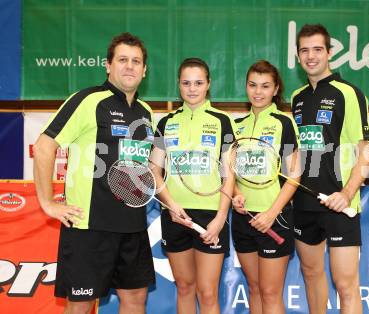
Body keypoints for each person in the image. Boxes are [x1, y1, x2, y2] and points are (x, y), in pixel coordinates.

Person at [33, 32, 155, 314]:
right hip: (90, 226)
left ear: (145, 70)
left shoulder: (146, 112)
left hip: (133, 226)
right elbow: (43, 147)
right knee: (80, 304)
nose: (129, 66)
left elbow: (149, 169)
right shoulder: (88, 100)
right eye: (122, 60)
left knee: (136, 299)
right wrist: (47, 202)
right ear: (108, 65)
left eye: (136, 61)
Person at [291, 24, 369, 314]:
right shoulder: (297, 97)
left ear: (329, 52)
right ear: (298, 56)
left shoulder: (349, 93)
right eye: (304, 50)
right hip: (303, 203)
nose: (310, 56)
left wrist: (346, 193)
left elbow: (365, 152)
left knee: (346, 284)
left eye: (317, 49)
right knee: (312, 277)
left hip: (341, 203)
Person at [149, 57, 237, 314]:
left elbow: (228, 173)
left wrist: (221, 218)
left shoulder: (222, 121)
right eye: (186, 83)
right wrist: (171, 204)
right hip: (175, 215)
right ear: (179, 85)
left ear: (208, 84)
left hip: (211, 216)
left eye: (198, 82)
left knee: (207, 292)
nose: (192, 88)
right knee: (185, 287)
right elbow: (154, 171)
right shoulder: (166, 122)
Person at [231, 60, 300, 314]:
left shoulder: (284, 123)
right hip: (243, 219)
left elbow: (295, 173)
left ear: (275, 89)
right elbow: (230, 174)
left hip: (275, 218)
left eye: (265, 86)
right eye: (252, 85)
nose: (258, 92)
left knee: (271, 293)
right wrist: (235, 196)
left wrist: (271, 213)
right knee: (255, 288)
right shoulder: (236, 126)